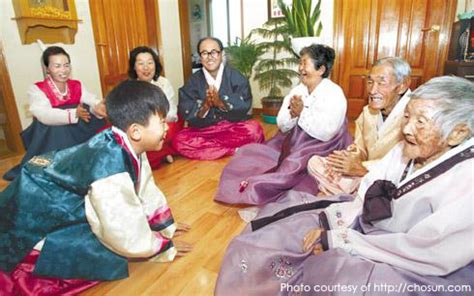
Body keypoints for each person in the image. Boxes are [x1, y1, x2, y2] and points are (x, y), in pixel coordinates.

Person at [215, 76, 474, 295]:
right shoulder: (403, 142)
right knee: (274, 225)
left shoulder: (467, 180)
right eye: (407, 117)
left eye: (421, 121)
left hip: (414, 261)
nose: (406, 128)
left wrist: (342, 239)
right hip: (370, 220)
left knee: (335, 277)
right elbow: (368, 185)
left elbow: (430, 250)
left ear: (458, 133)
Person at [0, 80, 192, 295]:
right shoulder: (110, 168)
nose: (168, 128)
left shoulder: (127, 140)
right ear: (136, 131)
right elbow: (121, 228)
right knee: (103, 256)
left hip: (50, 185)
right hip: (34, 206)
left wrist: (164, 226)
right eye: (162, 122)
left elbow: (145, 189)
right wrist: (159, 247)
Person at [214, 44, 352, 206]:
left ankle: (260, 189)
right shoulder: (298, 90)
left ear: (320, 69)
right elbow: (282, 125)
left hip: (322, 146)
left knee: (290, 167)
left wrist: (302, 113)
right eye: (300, 63)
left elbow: (327, 133)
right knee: (249, 152)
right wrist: (293, 115)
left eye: (304, 63)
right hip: (293, 140)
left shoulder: (334, 93)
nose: (300, 68)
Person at [307, 57, 412, 195]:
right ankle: (349, 191)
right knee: (314, 162)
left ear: (402, 85)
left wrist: (361, 169)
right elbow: (360, 149)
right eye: (370, 82)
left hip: (392, 181)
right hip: (363, 174)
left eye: (381, 83)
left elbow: (408, 168)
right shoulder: (368, 112)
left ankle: (340, 192)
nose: (373, 90)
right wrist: (346, 160)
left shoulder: (414, 116)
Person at [3, 46, 107, 181]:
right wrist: (73, 113)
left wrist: (97, 107)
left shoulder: (76, 85)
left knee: (92, 116)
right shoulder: (37, 89)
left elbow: (90, 99)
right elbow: (44, 114)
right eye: (57, 66)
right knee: (56, 137)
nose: (63, 70)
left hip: (75, 130)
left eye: (66, 65)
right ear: (47, 69)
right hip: (49, 133)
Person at [173, 36, 264, 160]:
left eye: (214, 52)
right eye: (205, 53)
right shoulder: (193, 81)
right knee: (180, 140)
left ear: (222, 54)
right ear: (200, 57)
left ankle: (212, 150)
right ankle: (232, 150)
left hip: (232, 128)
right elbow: (186, 110)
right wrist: (205, 105)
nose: (210, 57)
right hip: (205, 131)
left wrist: (221, 102)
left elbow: (244, 106)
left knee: (255, 130)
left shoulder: (236, 77)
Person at [128, 46, 182, 168]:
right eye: (141, 63)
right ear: (134, 67)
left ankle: (156, 154)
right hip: (139, 128)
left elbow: (172, 113)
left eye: (150, 63)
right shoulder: (129, 87)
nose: (146, 68)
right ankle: (162, 153)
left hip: (163, 123)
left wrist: (154, 122)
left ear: (155, 65)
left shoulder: (163, 83)